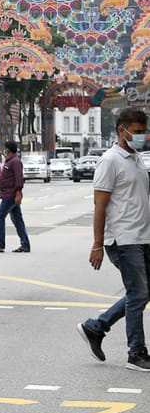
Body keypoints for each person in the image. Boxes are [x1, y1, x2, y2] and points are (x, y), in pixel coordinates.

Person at [77, 108, 150, 371]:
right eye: (138, 132)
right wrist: (97, 244)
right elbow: (100, 205)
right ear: (123, 130)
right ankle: (136, 352)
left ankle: (96, 327)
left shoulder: (136, 158)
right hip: (123, 239)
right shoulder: (110, 160)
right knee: (138, 293)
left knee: (141, 293)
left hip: (143, 237)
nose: (143, 137)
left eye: (144, 131)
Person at [0, 141, 30, 253]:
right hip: (8, 193)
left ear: (8, 149)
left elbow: (19, 178)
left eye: (5, 148)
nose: (4, 150)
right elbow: (3, 179)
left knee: (0, 216)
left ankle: (0, 244)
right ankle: (25, 245)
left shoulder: (15, 162)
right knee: (17, 220)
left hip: (11, 195)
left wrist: (19, 193)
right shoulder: (8, 161)